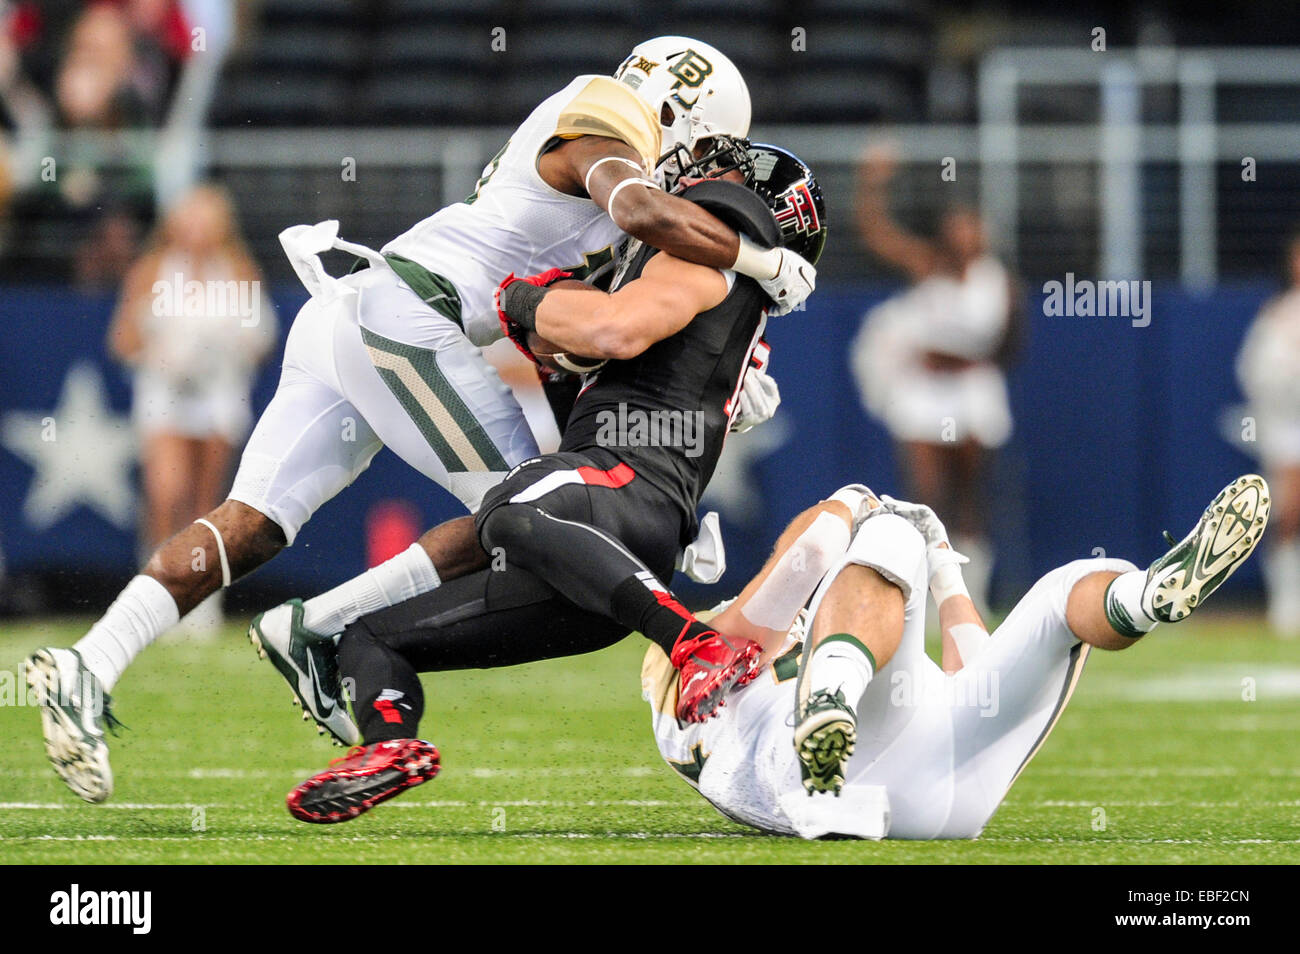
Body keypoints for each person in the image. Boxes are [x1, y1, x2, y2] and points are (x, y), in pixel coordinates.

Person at [25, 37, 818, 804]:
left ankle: (89, 662)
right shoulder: (610, 120)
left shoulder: (606, 161)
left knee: (253, 525)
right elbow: (642, 207)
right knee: (527, 505)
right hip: (403, 316)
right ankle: (319, 628)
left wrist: (723, 377)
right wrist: (763, 261)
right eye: (710, 148)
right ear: (689, 113)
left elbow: (575, 327)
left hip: (358, 314)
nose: (701, 173)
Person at [278, 144, 828, 824]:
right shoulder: (701, 282)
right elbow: (583, 328)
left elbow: (612, 329)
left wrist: (519, 300)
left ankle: (695, 644)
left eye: (722, 173)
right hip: (604, 552)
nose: (692, 173)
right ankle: (392, 746)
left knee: (504, 506)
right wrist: (546, 318)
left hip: (625, 488)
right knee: (369, 640)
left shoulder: (707, 250)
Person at [640, 473, 1269, 839]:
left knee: (1057, 589)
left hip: (913, 776)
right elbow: (811, 550)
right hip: (847, 783)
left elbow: (977, 686)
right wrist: (857, 500)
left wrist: (943, 568)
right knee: (888, 537)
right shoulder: (708, 670)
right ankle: (831, 695)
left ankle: (1147, 595)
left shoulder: (716, 714)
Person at [851, 143, 1022, 611]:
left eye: (972, 227)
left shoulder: (998, 281)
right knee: (927, 497)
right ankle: (927, 596)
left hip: (971, 392)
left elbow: (1010, 340)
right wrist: (873, 180)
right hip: (923, 394)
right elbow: (875, 231)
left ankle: (974, 596)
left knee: (969, 497)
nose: (964, 235)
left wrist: (963, 361)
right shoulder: (928, 265)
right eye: (956, 228)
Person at [107, 183, 276, 633]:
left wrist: (224, 345)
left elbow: (260, 338)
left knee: (208, 501)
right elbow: (122, 340)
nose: (197, 230)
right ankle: (153, 595)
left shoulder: (238, 271)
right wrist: (163, 352)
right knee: (167, 492)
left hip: (219, 394)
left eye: (207, 221)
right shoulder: (152, 270)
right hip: (164, 393)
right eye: (189, 220)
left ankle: (201, 599)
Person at [1236, 232, 1300, 637]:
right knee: (1288, 512)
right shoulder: (1277, 314)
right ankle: (1287, 601)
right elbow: (1253, 371)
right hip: (1287, 426)